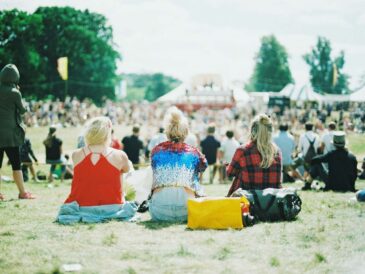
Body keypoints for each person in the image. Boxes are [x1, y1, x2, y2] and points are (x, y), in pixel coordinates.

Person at [56, 116, 136, 224]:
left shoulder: (76, 154)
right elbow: (127, 170)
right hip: (113, 207)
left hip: (82, 207)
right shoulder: (120, 155)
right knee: (126, 169)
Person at [149, 107, 207, 222]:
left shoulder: (156, 151)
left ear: (167, 131)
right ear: (186, 132)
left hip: (159, 211)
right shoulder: (194, 152)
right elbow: (204, 166)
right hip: (187, 211)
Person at [0, 64, 34, 200]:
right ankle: (22, 192)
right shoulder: (15, 93)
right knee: (16, 164)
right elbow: (22, 110)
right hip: (11, 135)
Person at [227, 114, 282, 196]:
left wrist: (228, 165)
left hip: (247, 200)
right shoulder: (276, 151)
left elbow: (229, 173)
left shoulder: (242, 150)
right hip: (271, 201)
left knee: (240, 173)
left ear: (252, 130)